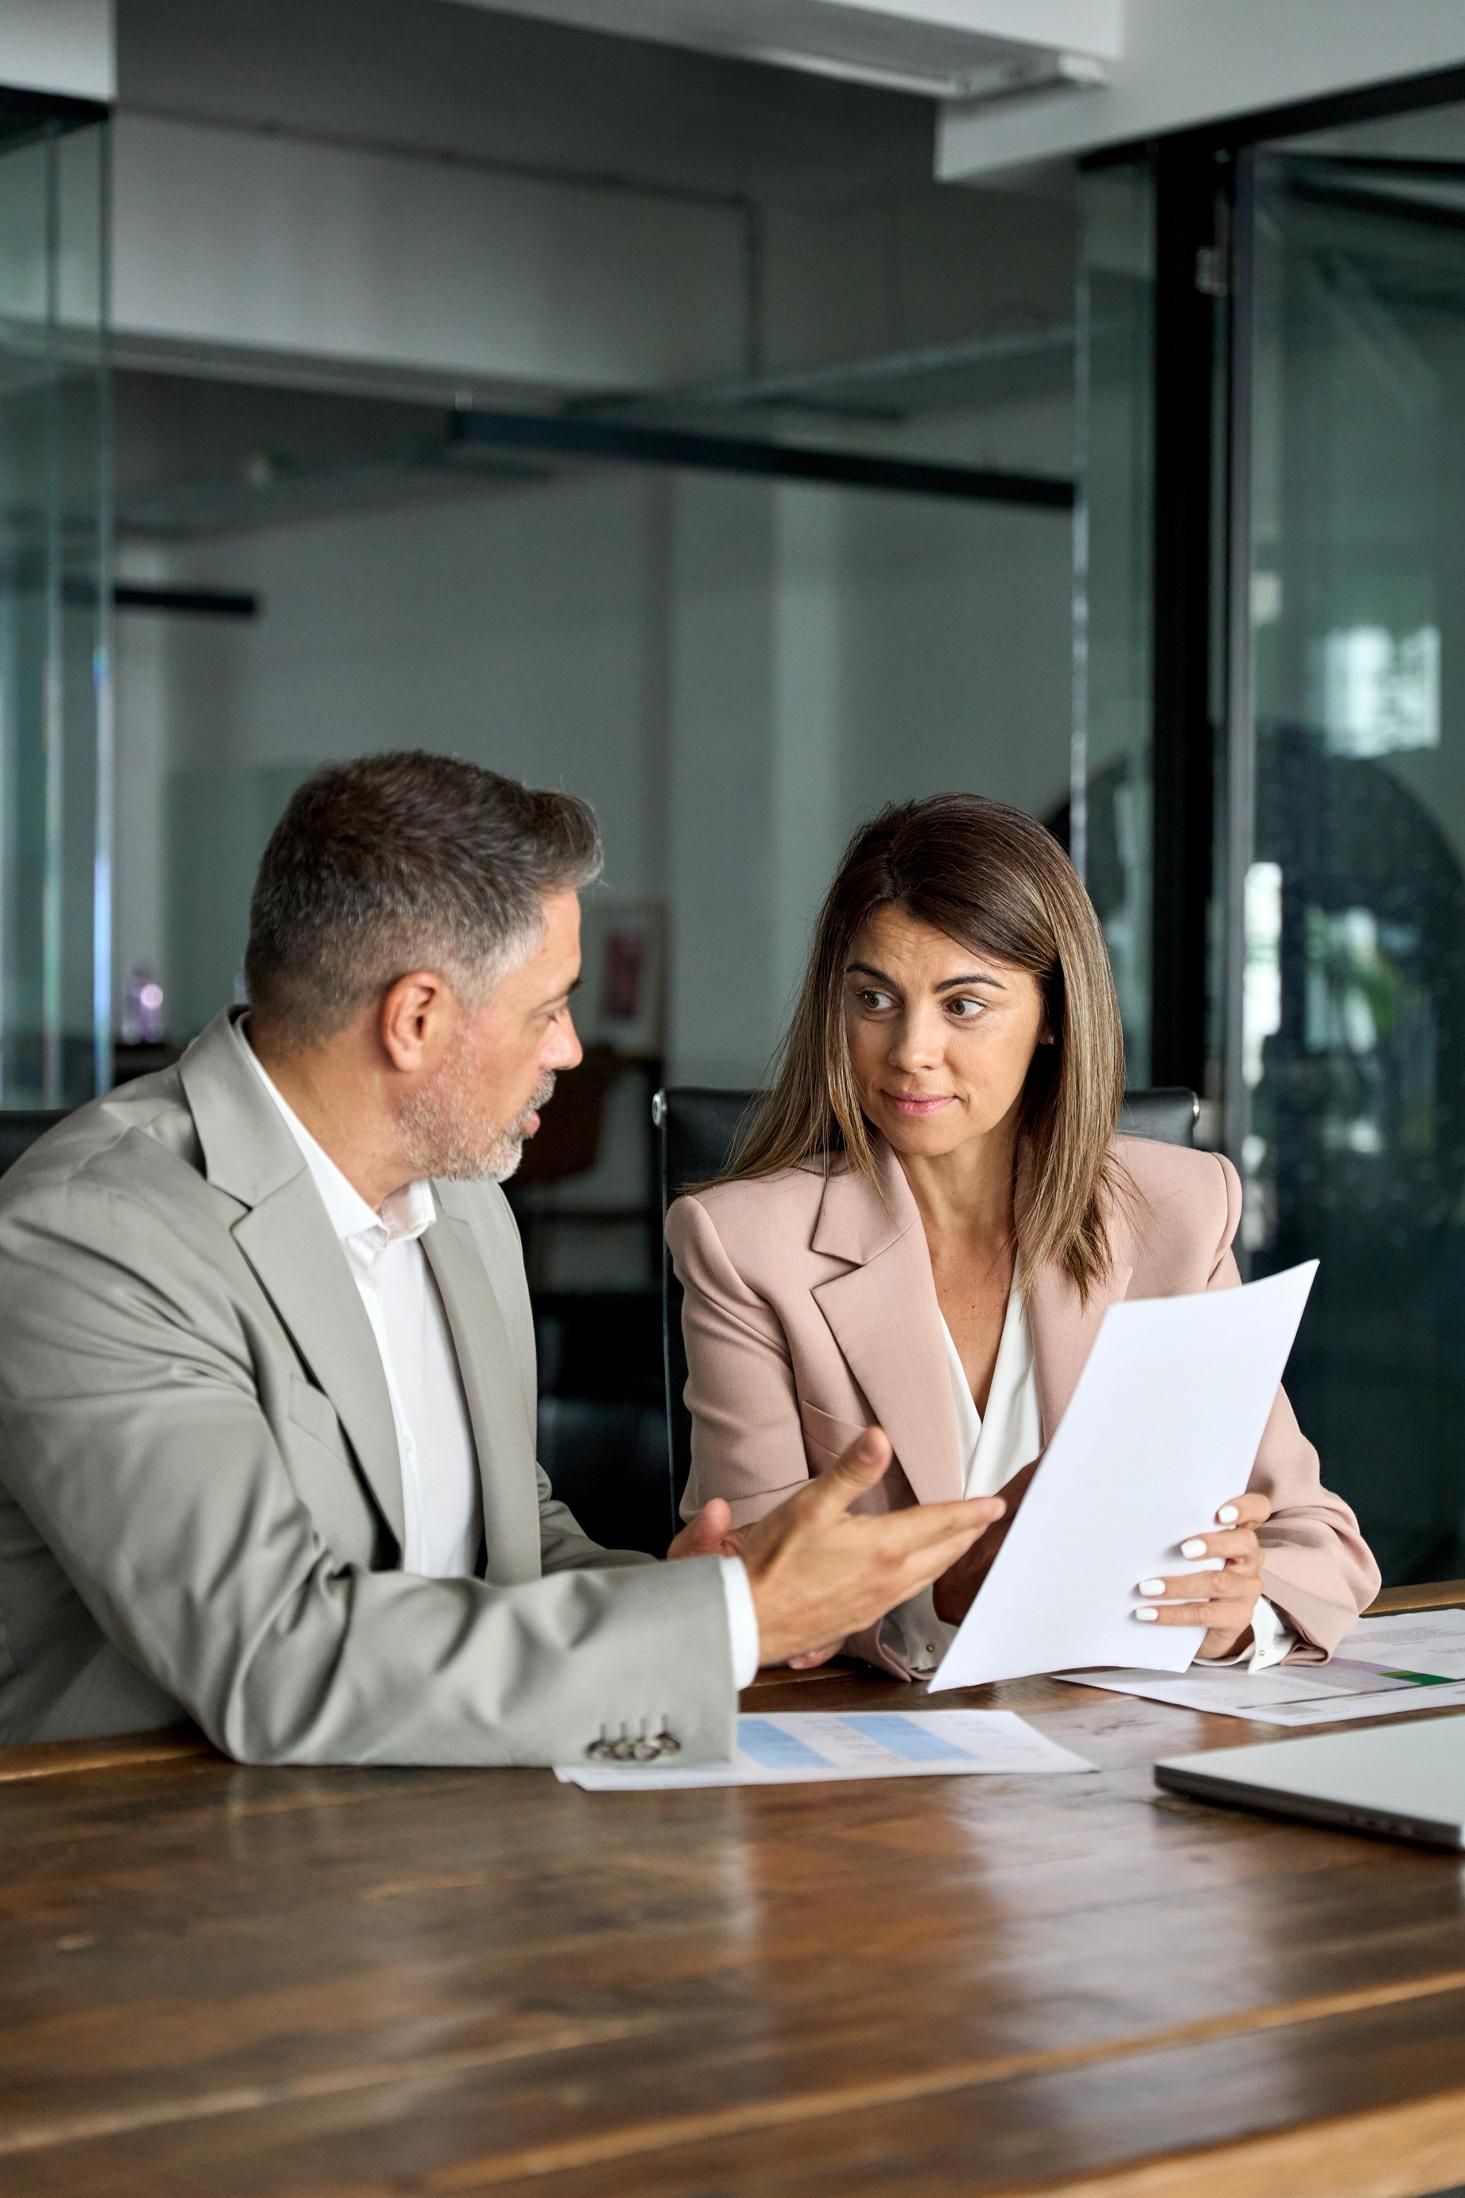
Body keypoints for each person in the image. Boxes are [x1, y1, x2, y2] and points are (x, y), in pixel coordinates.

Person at [0, 755, 1002, 1761]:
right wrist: (730, 1623)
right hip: (157, 1859)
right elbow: (275, 1660)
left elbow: (501, 1536)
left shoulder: (465, 1196)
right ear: (417, 1019)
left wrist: (693, 1593)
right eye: (546, 1007)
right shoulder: (93, 1237)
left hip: (441, 1821)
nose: (568, 1047)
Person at [668, 794, 1379, 1679]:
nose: (910, 1051)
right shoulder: (745, 1244)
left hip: (1116, 1742)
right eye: (874, 998)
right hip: (877, 1751)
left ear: (1051, 1016)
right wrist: (947, 1590)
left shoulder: (1178, 1208)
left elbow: (1318, 1541)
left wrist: (1241, 1610)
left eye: (963, 1005)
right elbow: (756, 1589)